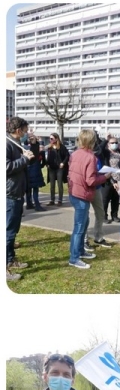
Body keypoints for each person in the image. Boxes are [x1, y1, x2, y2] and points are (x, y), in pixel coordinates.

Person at [67, 129, 112, 269]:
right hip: (82, 194)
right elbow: (91, 181)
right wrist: (105, 177)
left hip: (75, 192)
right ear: (92, 141)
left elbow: (81, 174)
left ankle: (80, 251)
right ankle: (74, 258)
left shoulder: (74, 154)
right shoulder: (90, 157)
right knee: (79, 228)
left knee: (83, 224)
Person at [6, 116, 35, 281]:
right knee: (8, 232)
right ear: (18, 131)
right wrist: (24, 159)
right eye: (25, 131)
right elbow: (6, 167)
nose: (26, 133)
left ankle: (11, 259)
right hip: (10, 193)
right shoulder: (6, 144)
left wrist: (26, 157)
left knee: (13, 230)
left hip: (17, 192)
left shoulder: (16, 144)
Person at [99, 134, 120, 225]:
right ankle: (104, 216)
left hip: (118, 178)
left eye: (116, 142)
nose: (114, 144)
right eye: (112, 143)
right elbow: (100, 148)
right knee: (105, 199)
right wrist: (106, 139)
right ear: (108, 144)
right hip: (107, 179)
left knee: (115, 198)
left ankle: (114, 215)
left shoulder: (119, 152)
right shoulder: (105, 152)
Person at [45, 133, 70, 206]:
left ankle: (60, 200)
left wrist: (63, 163)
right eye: (50, 138)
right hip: (52, 168)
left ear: (56, 139)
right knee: (52, 185)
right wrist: (47, 163)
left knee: (60, 184)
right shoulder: (50, 147)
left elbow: (67, 156)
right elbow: (48, 157)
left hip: (59, 168)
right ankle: (52, 200)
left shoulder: (62, 147)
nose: (50, 140)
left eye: (52, 138)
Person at [25, 134, 47, 212]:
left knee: (29, 188)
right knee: (35, 188)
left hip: (28, 169)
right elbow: (42, 148)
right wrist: (40, 140)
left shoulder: (26, 147)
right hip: (35, 169)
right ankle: (37, 205)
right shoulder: (36, 147)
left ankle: (29, 203)